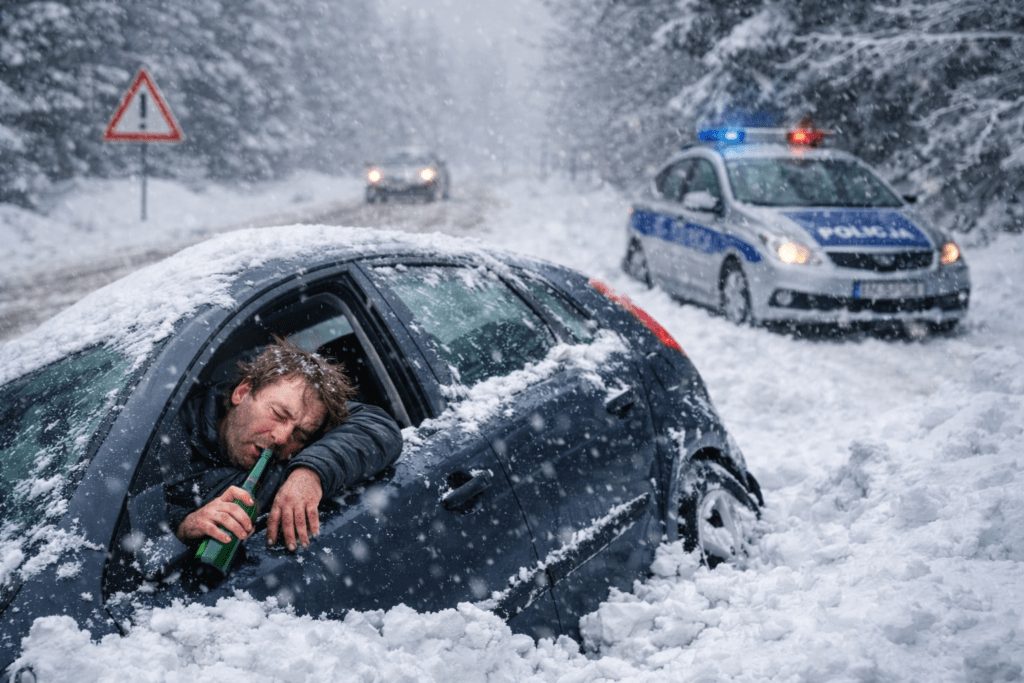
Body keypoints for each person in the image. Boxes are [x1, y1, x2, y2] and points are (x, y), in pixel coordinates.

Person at [165, 336, 403, 553]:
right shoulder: (162, 436)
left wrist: (310, 472)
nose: (281, 438)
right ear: (243, 392)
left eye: (299, 434)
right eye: (279, 414)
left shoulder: (289, 460)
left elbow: (377, 426)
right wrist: (184, 527)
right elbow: (137, 526)